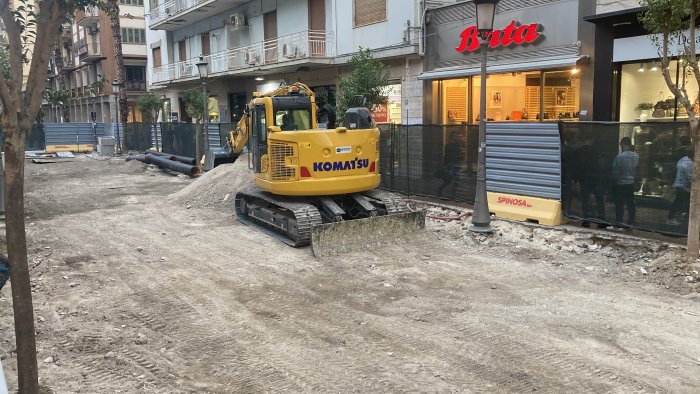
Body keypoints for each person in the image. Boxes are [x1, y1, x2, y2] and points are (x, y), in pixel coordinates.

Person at [574, 133, 607, 227]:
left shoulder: (578, 151)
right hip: (595, 179)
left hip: (584, 180)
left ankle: (586, 220)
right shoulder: (596, 151)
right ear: (591, 140)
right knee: (599, 200)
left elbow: (577, 166)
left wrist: (577, 178)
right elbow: (601, 165)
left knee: (585, 201)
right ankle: (601, 221)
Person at [611, 137, 639, 228]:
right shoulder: (636, 156)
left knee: (619, 203)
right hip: (630, 183)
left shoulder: (619, 157)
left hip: (620, 183)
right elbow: (637, 170)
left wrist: (614, 180)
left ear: (623, 144)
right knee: (630, 203)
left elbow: (615, 171)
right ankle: (631, 221)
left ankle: (619, 221)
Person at [666, 148, 693, 225]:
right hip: (684, 186)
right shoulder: (689, 163)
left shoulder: (682, 160)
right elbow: (689, 176)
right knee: (678, 202)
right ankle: (670, 218)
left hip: (679, 184)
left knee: (682, 201)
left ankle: (684, 213)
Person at [436, 132, 463, 198]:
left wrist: (460, 158)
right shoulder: (449, 145)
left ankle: (453, 193)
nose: (457, 137)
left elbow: (459, 153)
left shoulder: (457, 144)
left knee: (456, 179)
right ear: (452, 137)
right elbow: (446, 155)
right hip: (451, 164)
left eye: (457, 136)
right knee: (450, 179)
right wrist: (445, 164)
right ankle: (442, 189)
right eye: (455, 136)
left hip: (456, 163)